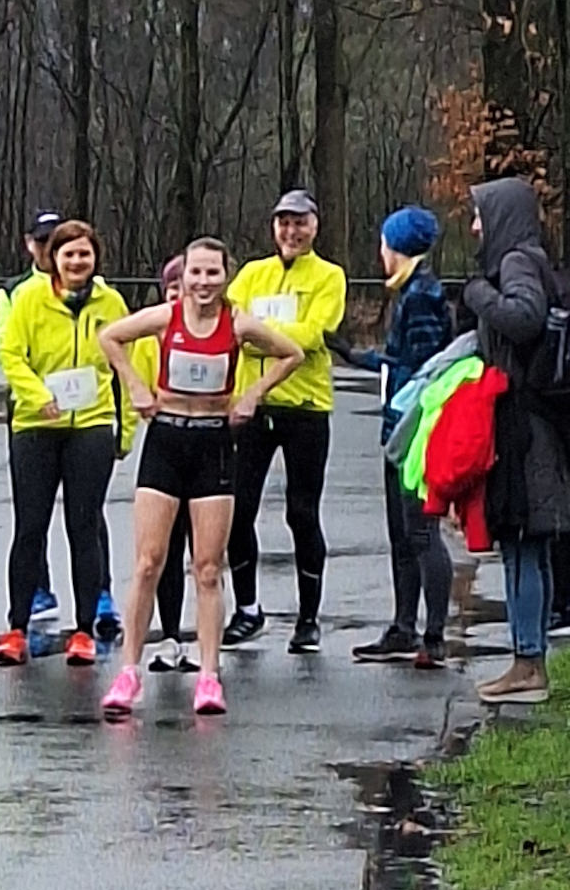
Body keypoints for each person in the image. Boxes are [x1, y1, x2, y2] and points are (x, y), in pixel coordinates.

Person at [96, 237, 304, 717]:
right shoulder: (165, 318)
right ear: (182, 276)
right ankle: (129, 671)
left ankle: (209, 677)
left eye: (213, 273)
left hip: (214, 443)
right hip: (166, 439)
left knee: (208, 568)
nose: (204, 282)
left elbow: (291, 353)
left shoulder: (239, 324)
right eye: (196, 273)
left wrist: (253, 393)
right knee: (149, 561)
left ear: (226, 276)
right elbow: (110, 336)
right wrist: (133, 385)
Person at [0, 219, 129, 667]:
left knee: (83, 527)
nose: (76, 262)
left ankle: (85, 630)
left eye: (84, 254)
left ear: (95, 258)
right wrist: (38, 396)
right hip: (37, 424)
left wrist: (124, 431)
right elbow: (10, 355)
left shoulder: (112, 303)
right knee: (29, 527)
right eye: (68, 253)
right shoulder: (29, 299)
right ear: (52, 257)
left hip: (90, 424)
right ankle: (16, 628)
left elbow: (129, 367)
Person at [223, 189, 348, 654]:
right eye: (284, 224)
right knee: (239, 510)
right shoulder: (254, 274)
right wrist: (268, 339)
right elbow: (230, 324)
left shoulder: (329, 276)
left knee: (301, 512)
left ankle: (308, 617)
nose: (291, 233)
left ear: (315, 227)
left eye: (300, 223)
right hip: (253, 408)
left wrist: (258, 337)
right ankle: (248, 609)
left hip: (305, 408)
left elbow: (313, 335)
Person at [464, 177, 570, 702]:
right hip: (537, 423)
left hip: (522, 427)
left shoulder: (514, 264)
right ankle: (531, 658)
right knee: (534, 546)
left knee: (521, 543)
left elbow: (524, 320)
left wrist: (477, 293)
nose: (475, 226)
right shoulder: (535, 260)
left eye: (480, 215)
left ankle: (526, 663)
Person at [343, 207, 455, 668]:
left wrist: (361, 358)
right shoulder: (410, 291)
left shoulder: (422, 297)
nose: (381, 252)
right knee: (401, 534)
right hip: (400, 426)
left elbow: (421, 368)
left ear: (399, 247)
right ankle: (403, 625)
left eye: (385, 244)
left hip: (416, 429)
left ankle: (433, 634)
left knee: (421, 531)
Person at [141, 255, 200, 673]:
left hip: (210, 444)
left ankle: (204, 636)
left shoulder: (224, 329)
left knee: (207, 554)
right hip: (165, 441)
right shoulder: (154, 333)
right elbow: (142, 383)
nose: (178, 295)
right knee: (162, 550)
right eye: (171, 288)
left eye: (186, 285)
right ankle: (170, 635)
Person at [0, 211, 64, 353]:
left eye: (57, 242)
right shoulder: (12, 291)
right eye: (42, 241)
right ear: (29, 242)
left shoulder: (93, 288)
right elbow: (3, 346)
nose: (49, 248)